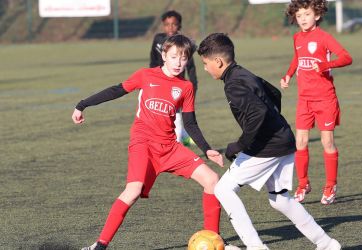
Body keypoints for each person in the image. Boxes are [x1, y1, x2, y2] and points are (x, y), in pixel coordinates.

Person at [73, 35, 231, 250]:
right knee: (133, 190)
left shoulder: (185, 87)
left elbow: (190, 123)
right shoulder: (146, 75)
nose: (178, 63)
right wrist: (83, 104)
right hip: (143, 144)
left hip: (170, 147)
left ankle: (212, 239)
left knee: (212, 180)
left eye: (183, 58)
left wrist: (208, 149)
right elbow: (117, 90)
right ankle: (100, 245)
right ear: (163, 55)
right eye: (173, 57)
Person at [198, 32, 341, 250]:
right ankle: (327, 244)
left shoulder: (233, 84)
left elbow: (257, 114)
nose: (206, 69)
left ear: (218, 61)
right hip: (284, 139)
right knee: (280, 199)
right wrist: (275, 124)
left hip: (268, 145)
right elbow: (275, 93)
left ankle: (256, 247)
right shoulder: (244, 74)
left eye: (206, 63)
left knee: (223, 189)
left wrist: (238, 145)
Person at [280, 0, 352, 205]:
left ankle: (330, 186)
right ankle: (303, 184)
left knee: (327, 142)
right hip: (304, 99)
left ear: (317, 15)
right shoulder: (296, 38)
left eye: (307, 14)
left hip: (325, 99)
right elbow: (297, 58)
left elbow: (347, 57)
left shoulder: (324, 37)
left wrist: (325, 65)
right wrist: (288, 76)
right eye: (299, 15)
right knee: (300, 142)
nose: (303, 19)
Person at [150, 10, 198, 146]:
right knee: (163, 113)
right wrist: (151, 79)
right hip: (160, 83)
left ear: (179, 25)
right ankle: (184, 136)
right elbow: (153, 61)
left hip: (177, 85)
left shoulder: (184, 42)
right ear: (163, 25)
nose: (170, 27)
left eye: (174, 24)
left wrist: (193, 87)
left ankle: (178, 143)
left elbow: (191, 68)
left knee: (176, 112)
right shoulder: (158, 39)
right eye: (167, 24)